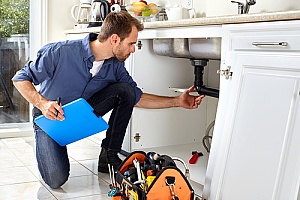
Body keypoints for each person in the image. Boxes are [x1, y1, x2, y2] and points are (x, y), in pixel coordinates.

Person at [12, 11, 205, 189]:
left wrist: (177, 101)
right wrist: (43, 104)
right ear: (114, 39)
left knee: (126, 90)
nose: (133, 49)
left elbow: (136, 97)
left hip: (81, 113)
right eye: (131, 43)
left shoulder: (115, 67)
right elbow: (20, 79)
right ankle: (54, 143)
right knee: (56, 179)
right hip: (51, 119)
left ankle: (109, 156)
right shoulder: (59, 52)